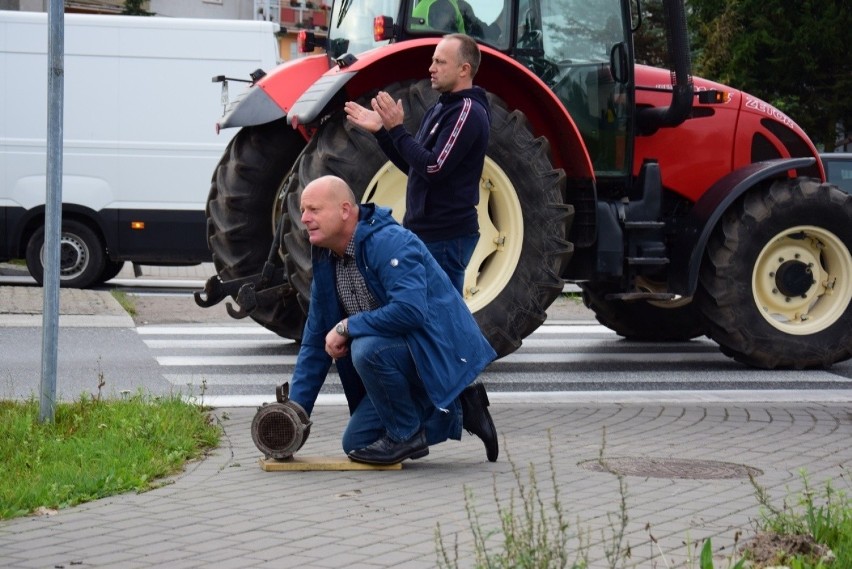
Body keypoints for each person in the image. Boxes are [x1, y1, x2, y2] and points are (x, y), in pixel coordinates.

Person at [287, 175, 499, 464]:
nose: (305, 219)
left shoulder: (390, 243)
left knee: (366, 348)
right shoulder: (327, 257)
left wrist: (347, 326)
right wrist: (295, 415)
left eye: (314, 210)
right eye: (303, 211)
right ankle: (462, 410)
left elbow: (410, 311)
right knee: (357, 443)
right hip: (400, 359)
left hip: (435, 353)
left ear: (345, 210)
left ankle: (405, 435)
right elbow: (315, 340)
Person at [344, 33, 489, 296]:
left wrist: (397, 129)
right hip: (425, 232)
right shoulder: (441, 108)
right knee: (423, 311)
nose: (431, 68)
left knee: (443, 316)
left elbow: (434, 168)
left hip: (445, 236)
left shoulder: (467, 112)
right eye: (433, 60)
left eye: (440, 62)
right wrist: (382, 131)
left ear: (464, 69)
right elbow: (417, 169)